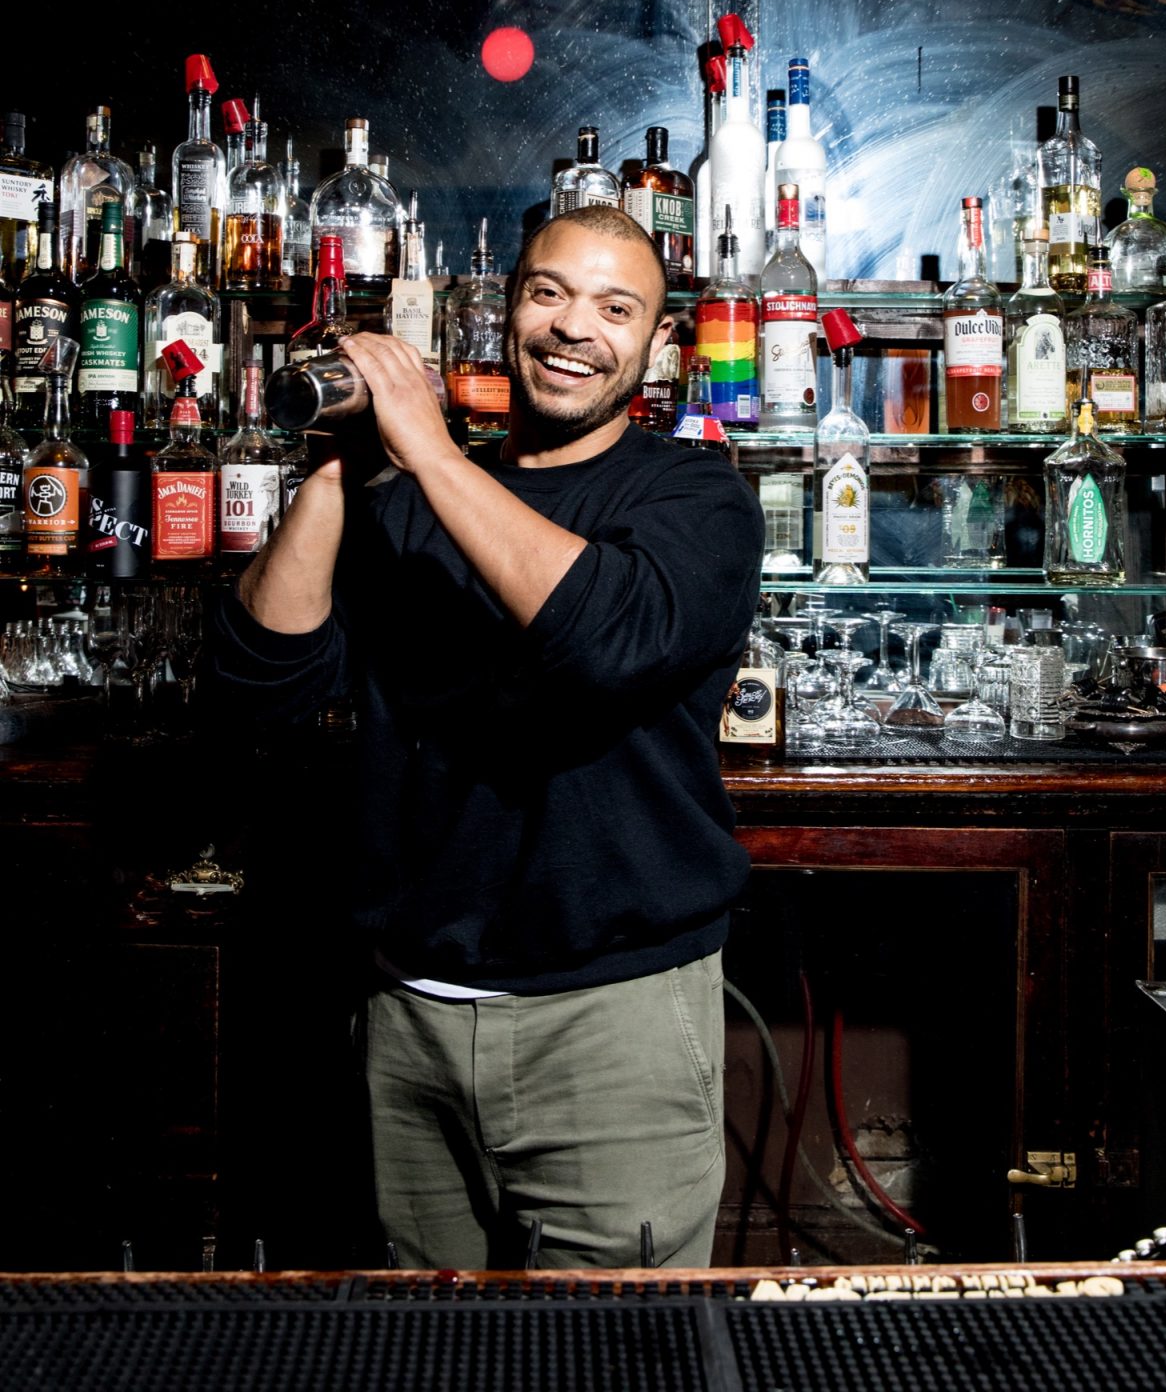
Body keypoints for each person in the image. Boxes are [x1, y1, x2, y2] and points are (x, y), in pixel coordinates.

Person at [213, 205, 765, 1270]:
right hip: (408, 1014)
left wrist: (425, 446)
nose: (573, 328)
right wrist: (341, 462)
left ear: (657, 348)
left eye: (616, 307)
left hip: (611, 1019)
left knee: (620, 1363)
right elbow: (258, 687)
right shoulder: (404, 496)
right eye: (548, 292)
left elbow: (601, 637)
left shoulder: (693, 495)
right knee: (431, 1357)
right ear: (508, 310)